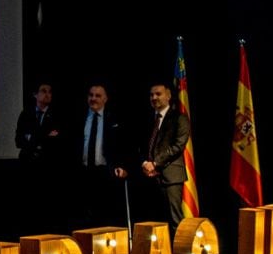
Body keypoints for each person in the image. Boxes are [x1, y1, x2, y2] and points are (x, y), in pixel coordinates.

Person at [74, 83, 130, 229]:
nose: (93, 98)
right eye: (91, 95)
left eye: (98, 96)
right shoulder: (79, 118)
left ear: (105, 99)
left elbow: (124, 145)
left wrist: (123, 166)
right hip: (83, 173)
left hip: (105, 173)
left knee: (106, 216)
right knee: (84, 217)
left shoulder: (114, 118)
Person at [14, 82, 65, 230]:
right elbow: (19, 141)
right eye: (43, 91)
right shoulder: (26, 114)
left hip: (47, 168)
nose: (47, 94)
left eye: (50, 91)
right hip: (28, 167)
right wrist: (44, 137)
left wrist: (33, 138)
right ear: (35, 94)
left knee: (46, 207)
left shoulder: (57, 115)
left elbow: (56, 143)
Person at [141, 81, 190, 232]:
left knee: (175, 220)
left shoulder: (179, 118)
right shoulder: (147, 120)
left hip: (171, 177)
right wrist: (144, 163)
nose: (154, 97)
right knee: (155, 222)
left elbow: (178, 146)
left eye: (158, 94)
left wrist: (155, 163)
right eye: (151, 95)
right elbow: (140, 145)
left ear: (168, 96)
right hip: (149, 176)